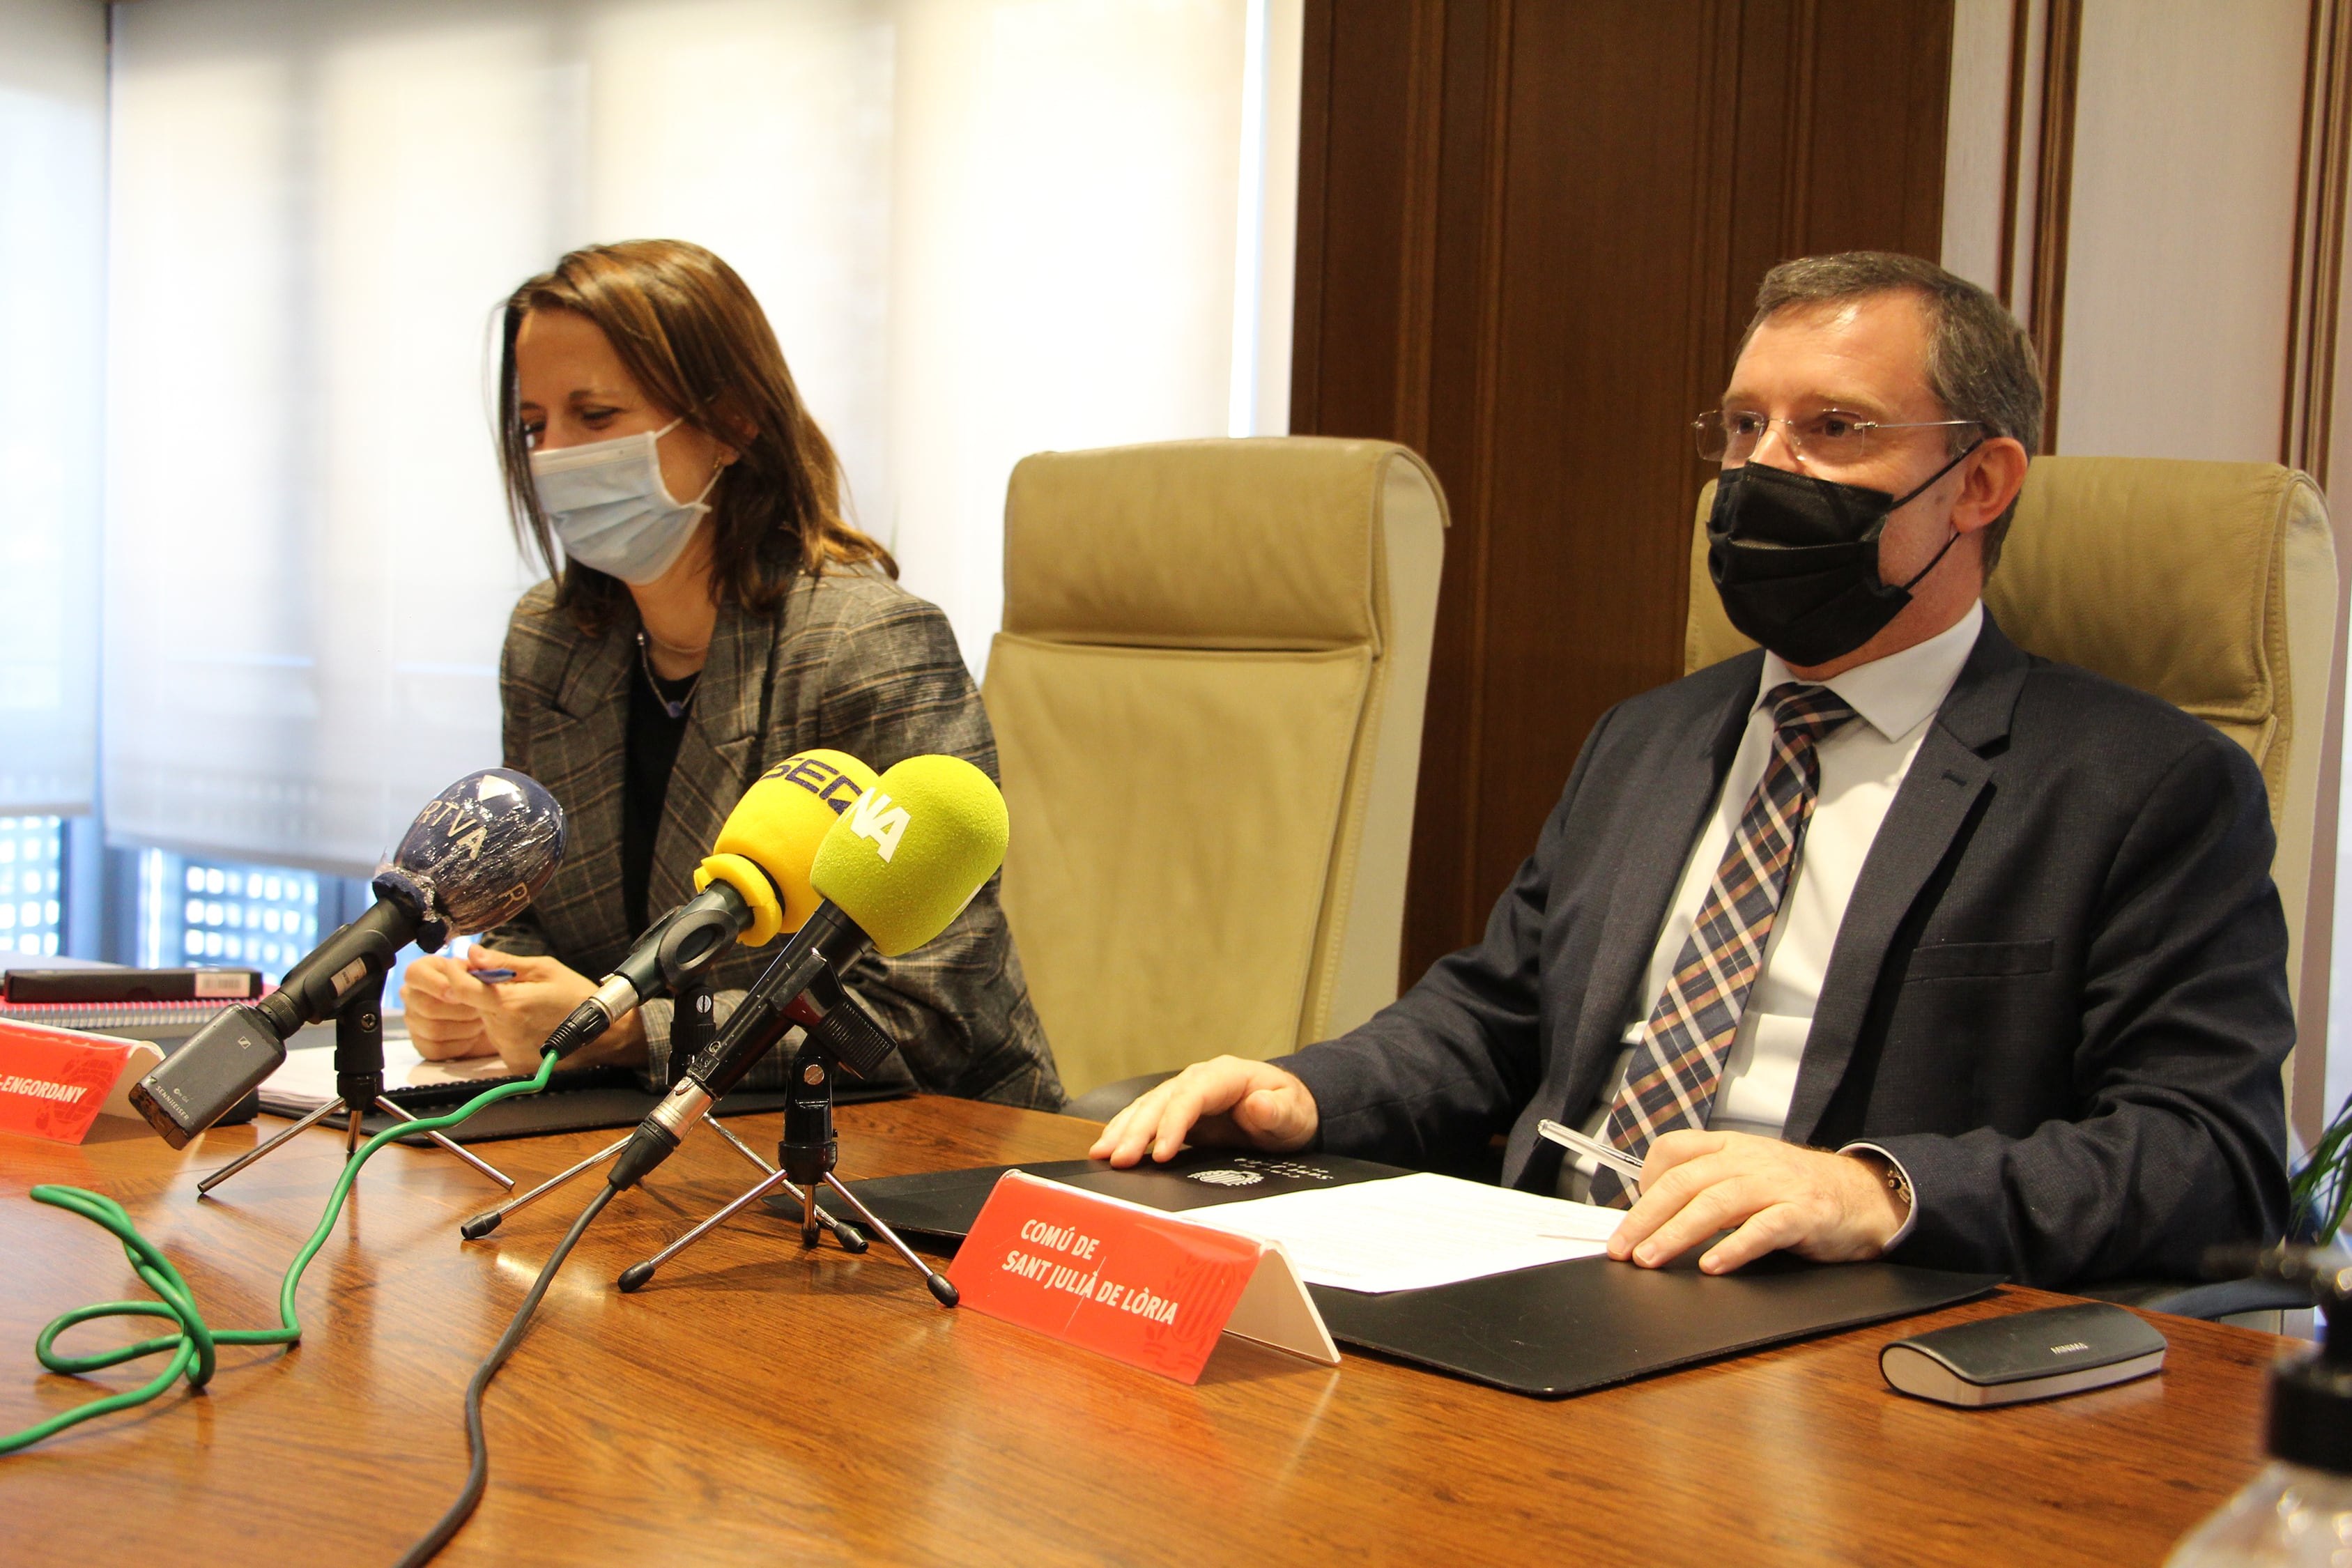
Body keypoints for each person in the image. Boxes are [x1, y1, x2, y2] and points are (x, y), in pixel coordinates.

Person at [1093, 252, 2291, 1289]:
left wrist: (1876, 1191)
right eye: (1742, 426)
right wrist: (1306, 1093)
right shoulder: (1649, 739)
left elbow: (2209, 1154)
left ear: (1979, 483)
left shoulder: (2143, 787)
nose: (1760, 471)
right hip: (1529, 1275)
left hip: (1825, 1353)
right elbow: (1497, 1018)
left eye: (1834, 429)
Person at [400, 239, 1063, 1110]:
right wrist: (487, 991)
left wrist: (631, 1029)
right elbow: (533, 916)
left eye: (593, 416)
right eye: (533, 427)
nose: (553, 456)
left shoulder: (870, 647)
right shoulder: (551, 639)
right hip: (640, 1130)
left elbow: (932, 1015)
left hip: (912, 1157)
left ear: (731, 423)